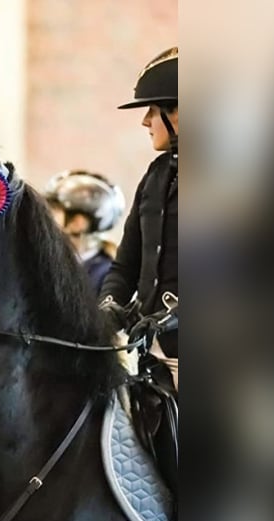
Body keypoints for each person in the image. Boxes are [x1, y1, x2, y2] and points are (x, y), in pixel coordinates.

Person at [99, 46, 179, 387]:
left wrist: (175, 316)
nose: (145, 120)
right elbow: (125, 265)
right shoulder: (156, 174)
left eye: (153, 109)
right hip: (146, 350)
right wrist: (109, 304)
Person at [44, 170, 125, 295]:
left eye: (53, 210)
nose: (45, 216)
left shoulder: (106, 276)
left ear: (78, 223)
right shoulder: (49, 261)